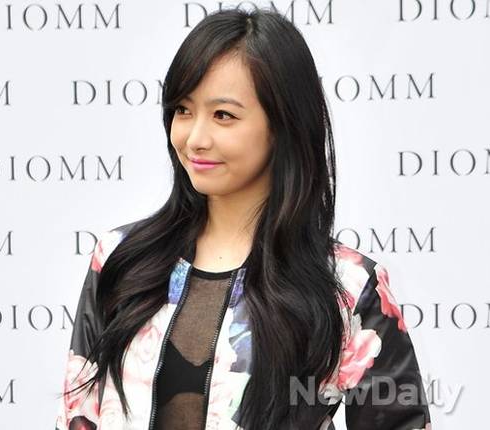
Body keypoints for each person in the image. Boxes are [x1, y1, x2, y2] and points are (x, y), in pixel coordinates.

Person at [55, 7, 432, 430]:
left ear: (283, 125)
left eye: (224, 115)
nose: (195, 138)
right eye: (183, 110)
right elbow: (77, 416)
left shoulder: (347, 286)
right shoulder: (122, 258)